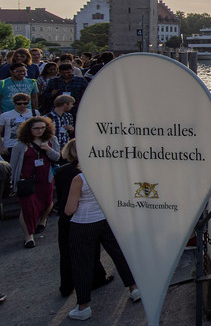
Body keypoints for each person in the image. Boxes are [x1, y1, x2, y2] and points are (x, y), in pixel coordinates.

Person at [65, 169, 140, 320]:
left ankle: (83, 306)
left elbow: (69, 210)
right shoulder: (107, 172)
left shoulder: (79, 179)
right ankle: (134, 288)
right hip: (105, 218)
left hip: (83, 223)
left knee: (82, 263)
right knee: (119, 254)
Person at [54, 139, 111, 298]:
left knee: (66, 253)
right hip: (83, 216)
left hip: (66, 217)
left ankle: (66, 286)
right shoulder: (90, 171)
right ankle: (96, 280)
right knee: (90, 252)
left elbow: (60, 194)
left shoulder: (61, 171)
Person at [11, 116, 61, 248]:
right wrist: (14, 183)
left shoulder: (51, 140)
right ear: (29, 129)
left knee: (47, 203)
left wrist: (48, 150)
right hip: (27, 181)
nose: (39, 131)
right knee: (27, 208)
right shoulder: (20, 145)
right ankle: (29, 237)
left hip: (45, 178)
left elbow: (57, 157)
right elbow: (13, 165)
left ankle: (43, 220)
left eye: (42, 128)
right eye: (36, 128)